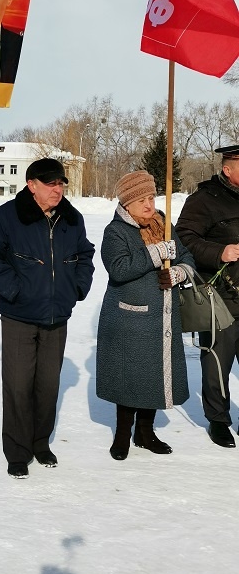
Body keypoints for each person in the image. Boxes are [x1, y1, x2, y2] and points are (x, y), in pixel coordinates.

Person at [0, 158, 94, 478]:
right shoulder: (7, 216)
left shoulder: (71, 218)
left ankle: (40, 443)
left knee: (48, 385)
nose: (58, 189)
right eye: (50, 183)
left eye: (61, 183)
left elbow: (85, 255)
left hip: (57, 316)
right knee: (17, 385)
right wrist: (15, 289)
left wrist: (77, 288)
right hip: (19, 316)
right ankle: (17, 451)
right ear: (31, 185)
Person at [96, 171, 194, 460]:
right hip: (129, 318)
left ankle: (145, 433)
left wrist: (178, 272)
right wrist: (157, 252)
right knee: (129, 377)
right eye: (141, 200)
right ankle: (122, 434)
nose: (149, 204)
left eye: (151, 197)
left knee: (154, 376)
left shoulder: (163, 224)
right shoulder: (115, 231)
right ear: (127, 204)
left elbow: (186, 257)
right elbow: (119, 269)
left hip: (163, 317)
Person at [176, 145, 239, 448]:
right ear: (228, 169)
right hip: (220, 297)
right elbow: (183, 239)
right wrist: (219, 252)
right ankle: (218, 420)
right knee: (217, 362)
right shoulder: (204, 200)